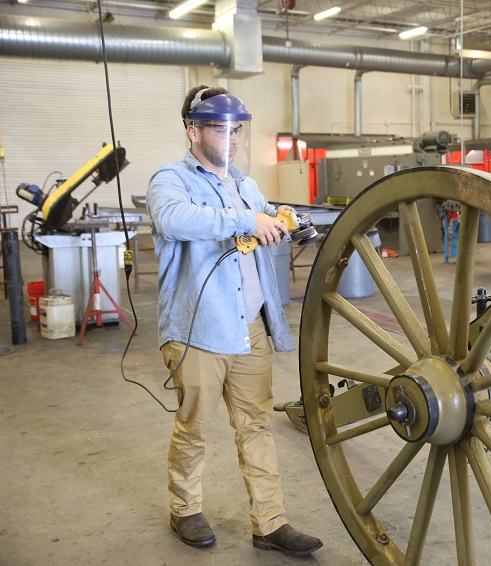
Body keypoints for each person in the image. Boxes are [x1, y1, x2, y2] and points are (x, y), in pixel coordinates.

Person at [146, 85, 323, 556]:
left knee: (256, 426)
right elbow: (174, 219)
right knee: (194, 426)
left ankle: (270, 523)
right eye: (222, 129)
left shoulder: (246, 186)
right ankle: (184, 509)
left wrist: (286, 217)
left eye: (237, 130)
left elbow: (265, 215)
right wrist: (247, 221)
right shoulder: (171, 180)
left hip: (251, 329)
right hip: (199, 332)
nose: (233, 138)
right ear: (193, 131)